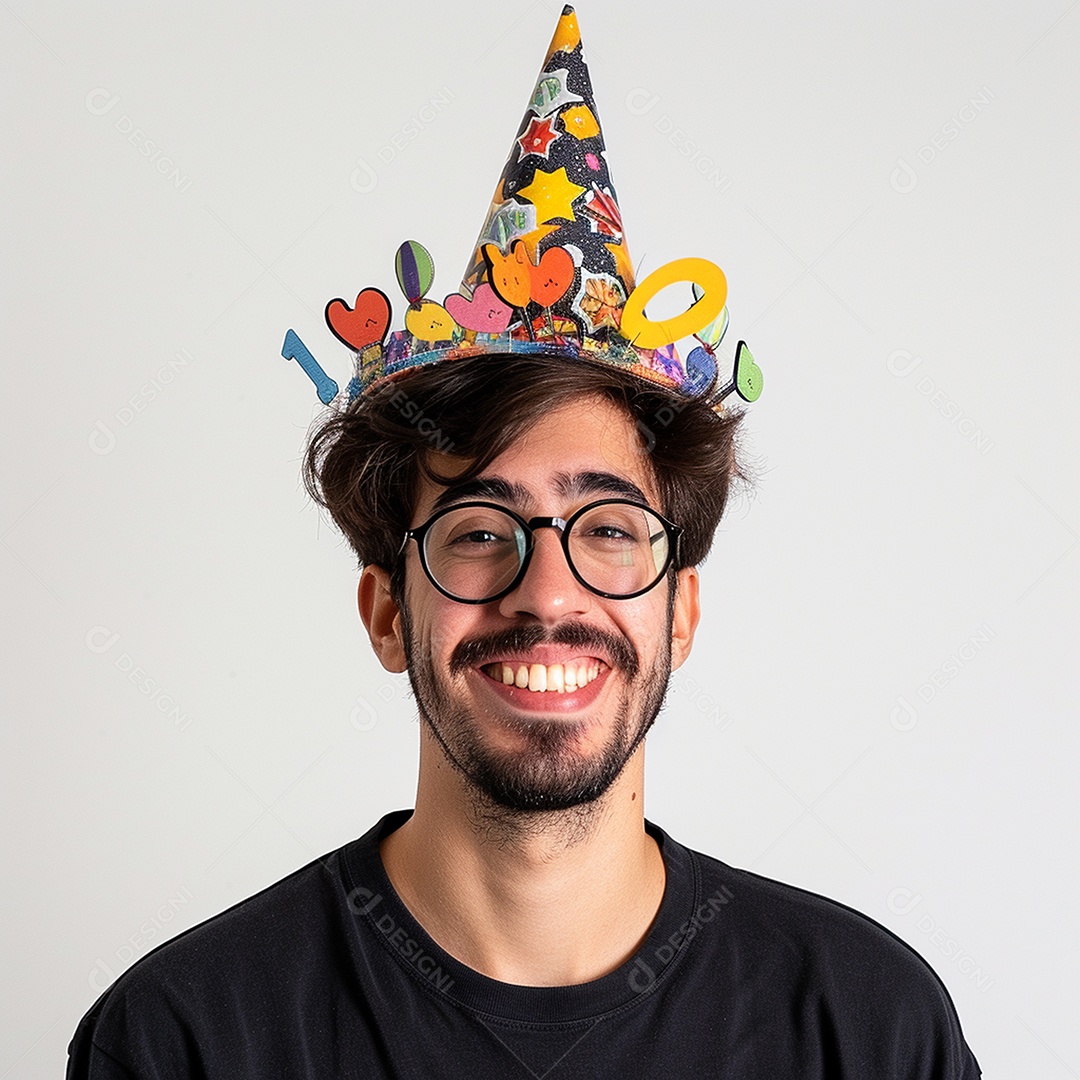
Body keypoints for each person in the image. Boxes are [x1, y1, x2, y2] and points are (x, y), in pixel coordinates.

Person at [68, 7, 980, 1077]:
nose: (547, 591)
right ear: (384, 610)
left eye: (606, 528)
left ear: (680, 612)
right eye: (477, 531)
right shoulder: (188, 1038)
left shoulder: (865, 1030)